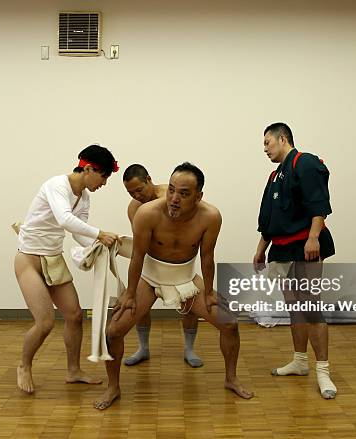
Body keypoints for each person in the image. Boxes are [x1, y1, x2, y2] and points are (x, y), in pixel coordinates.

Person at [94, 162, 253, 410]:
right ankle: (113, 387)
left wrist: (209, 292)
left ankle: (231, 378)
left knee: (230, 323)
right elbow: (137, 256)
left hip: (186, 277)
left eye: (184, 193)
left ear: (198, 196)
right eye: (171, 190)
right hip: (149, 276)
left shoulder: (210, 216)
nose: (174, 199)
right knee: (113, 331)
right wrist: (129, 294)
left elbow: (207, 257)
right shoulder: (147, 213)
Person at [14, 144, 120, 393]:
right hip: (29, 259)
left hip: (53, 258)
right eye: (103, 176)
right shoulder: (56, 185)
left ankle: (73, 371)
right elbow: (64, 219)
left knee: (74, 315)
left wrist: (100, 244)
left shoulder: (83, 196)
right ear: (89, 169)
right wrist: (100, 233)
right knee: (45, 323)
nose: (104, 183)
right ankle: (24, 365)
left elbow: (78, 231)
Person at [253, 122, 337, 399]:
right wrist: (261, 248)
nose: (264, 148)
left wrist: (313, 238)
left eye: (268, 142)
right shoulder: (274, 176)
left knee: (311, 307)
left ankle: (323, 370)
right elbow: (269, 217)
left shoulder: (306, 163)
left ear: (283, 138)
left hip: (306, 245)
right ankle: (300, 362)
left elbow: (318, 204)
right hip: (281, 248)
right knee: (294, 308)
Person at [122, 164, 203, 367]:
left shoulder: (172, 198)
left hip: (180, 268)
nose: (136, 195)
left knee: (190, 306)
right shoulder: (135, 208)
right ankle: (143, 348)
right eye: (131, 192)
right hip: (151, 266)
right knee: (139, 309)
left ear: (149, 179)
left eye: (139, 190)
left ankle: (189, 348)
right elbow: (142, 243)